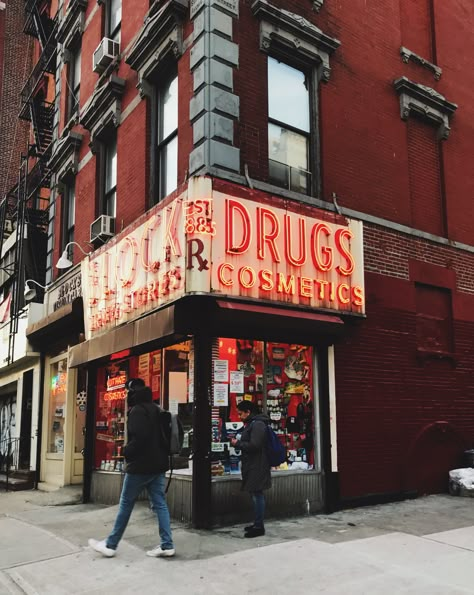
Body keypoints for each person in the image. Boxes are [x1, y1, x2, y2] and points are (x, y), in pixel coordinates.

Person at [88, 378, 175, 558]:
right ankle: (167, 545)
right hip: (158, 464)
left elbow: (140, 438)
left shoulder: (137, 411)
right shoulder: (156, 409)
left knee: (126, 503)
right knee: (160, 504)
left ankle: (111, 545)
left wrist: (127, 451)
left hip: (140, 466)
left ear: (131, 393)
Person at [230, 400, 271, 538]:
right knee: (255, 494)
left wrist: (238, 443)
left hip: (257, 465)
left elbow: (255, 445)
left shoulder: (258, 424)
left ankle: (259, 527)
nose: (239, 416)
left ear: (248, 412)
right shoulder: (253, 423)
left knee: (257, 495)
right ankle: (257, 523)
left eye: (241, 413)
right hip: (253, 464)